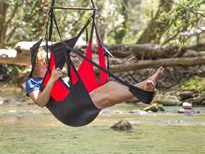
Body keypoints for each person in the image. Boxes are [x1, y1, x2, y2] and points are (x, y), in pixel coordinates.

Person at [26, 46, 164, 109]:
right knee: (105, 98)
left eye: (48, 64)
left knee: (109, 86)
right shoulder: (32, 82)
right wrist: (52, 80)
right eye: (44, 65)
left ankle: (144, 87)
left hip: (77, 100)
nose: (48, 67)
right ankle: (143, 91)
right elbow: (40, 102)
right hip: (71, 110)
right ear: (36, 67)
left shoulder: (51, 75)